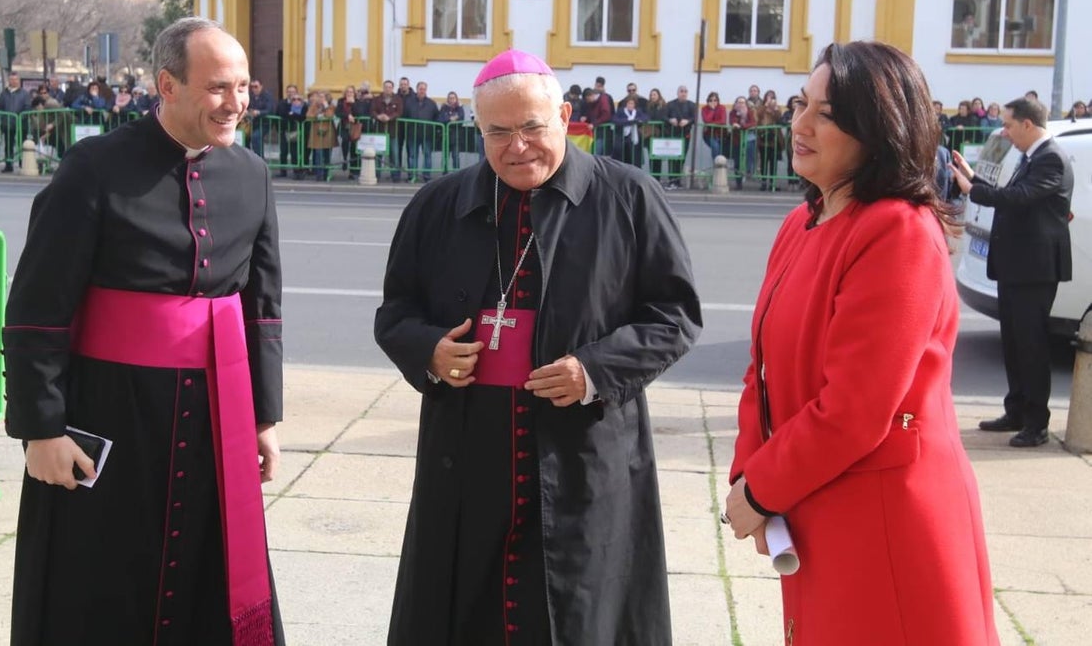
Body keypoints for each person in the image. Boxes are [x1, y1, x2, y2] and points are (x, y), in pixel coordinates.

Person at [375, 48, 702, 645]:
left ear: (565, 116)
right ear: (478, 130)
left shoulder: (627, 197)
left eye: (531, 127)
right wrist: (429, 352)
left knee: (579, 609)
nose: (517, 147)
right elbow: (394, 313)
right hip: (470, 451)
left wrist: (595, 369)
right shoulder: (437, 205)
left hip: (582, 451)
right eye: (498, 132)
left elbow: (675, 317)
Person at [2, 17, 285, 645]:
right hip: (110, 412)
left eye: (243, 86)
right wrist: (40, 428)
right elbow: (36, 309)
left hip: (214, 415)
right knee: (99, 581)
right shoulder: (94, 167)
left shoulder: (252, 175)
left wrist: (261, 418)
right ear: (168, 85)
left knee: (208, 581)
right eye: (217, 87)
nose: (236, 103)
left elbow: (261, 307)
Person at [725, 41, 998, 645]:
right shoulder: (805, 220)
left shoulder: (897, 231)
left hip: (882, 512)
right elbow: (761, 366)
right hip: (814, 494)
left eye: (826, 114)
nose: (799, 124)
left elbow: (855, 408)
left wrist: (763, 486)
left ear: (878, 132)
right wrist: (749, 473)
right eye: (802, 104)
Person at [950, 97, 1073, 447]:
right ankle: (1016, 410)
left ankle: (1037, 423)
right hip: (1017, 266)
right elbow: (1010, 194)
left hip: (1035, 269)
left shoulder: (1051, 158)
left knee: (1032, 346)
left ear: (1028, 125)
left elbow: (1020, 198)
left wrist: (972, 190)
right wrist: (974, 179)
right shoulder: (1030, 156)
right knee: (1015, 344)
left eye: (1008, 125)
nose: (1004, 131)